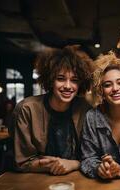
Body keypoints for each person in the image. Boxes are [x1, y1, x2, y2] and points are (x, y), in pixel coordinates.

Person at [10, 46, 93, 175]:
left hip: (78, 180)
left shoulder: (85, 109)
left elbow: (93, 155)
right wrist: (53, 165)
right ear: (50, 80)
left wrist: (74, 163)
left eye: (74, 80)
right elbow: (21, 162)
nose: (67, 86)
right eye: (60, 78)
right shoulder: (27, 109)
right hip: (35, 181)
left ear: (81, 83)